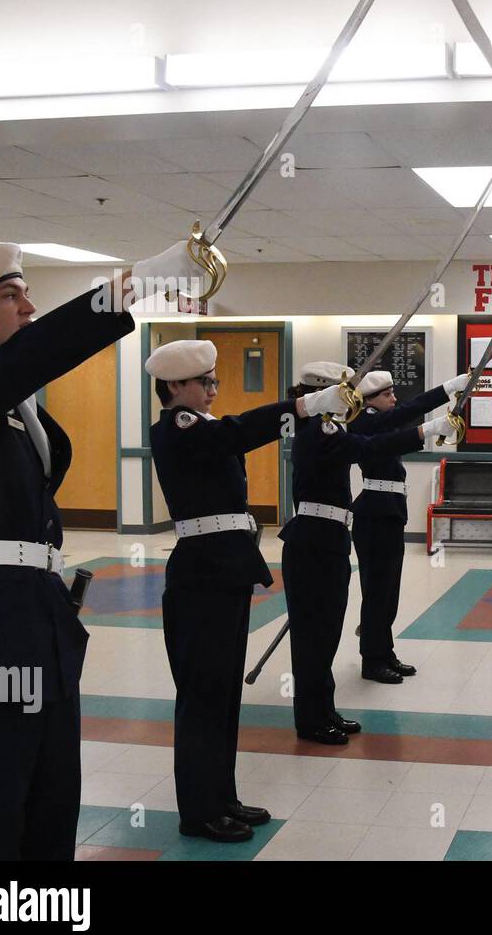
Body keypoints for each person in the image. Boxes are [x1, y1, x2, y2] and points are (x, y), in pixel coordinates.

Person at [0, 239, 198, 859]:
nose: (28, 306)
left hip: (40, 622)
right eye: (11, 295)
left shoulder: (8, 403)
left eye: (27, 292)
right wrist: (143, 282)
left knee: (52, 804)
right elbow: (30, 358)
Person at [147, 338, 353, 843]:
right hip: (202, 575)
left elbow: (234, 433)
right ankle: (199, 810)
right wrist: (303, 407)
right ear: (175, 386)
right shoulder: (178, 428)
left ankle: (222, 796)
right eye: (205, 382)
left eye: (215, 381)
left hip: (226, 570)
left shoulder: (205, 428)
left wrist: (305, 410)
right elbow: (240, 433)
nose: (214, 390)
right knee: (202, 696)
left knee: (222, 695)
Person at [281, 362, 453, 744]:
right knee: (315, 638)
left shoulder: (332, 428)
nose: (351, 398)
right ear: (323, 394)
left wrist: (438, 408)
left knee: (325, 634)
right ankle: (312, 717)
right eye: (344, 392)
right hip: (314, 541)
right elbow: (374, 444)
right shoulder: (319, 430)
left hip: (330, 536)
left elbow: (381, 434)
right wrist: (430, 428)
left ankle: (323, 709)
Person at [348, 369, 469, 684]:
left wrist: (447, 393)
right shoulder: (364, 422)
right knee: (376, 592)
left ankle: (384, 652)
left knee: (389, 592)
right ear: (371, 400)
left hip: (388, 513)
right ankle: (371, 660)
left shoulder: (379, 422)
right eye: (387, 394)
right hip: (374, 515)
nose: (394, 398)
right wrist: (446, 390)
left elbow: (404, 416)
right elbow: (406, 415)